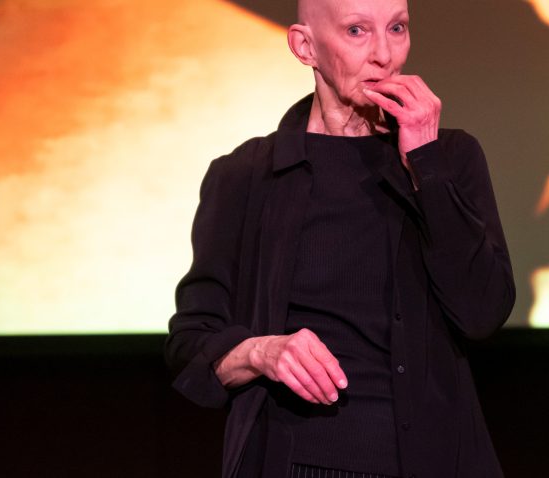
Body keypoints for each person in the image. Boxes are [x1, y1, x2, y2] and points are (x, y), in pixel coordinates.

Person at [165, 0, 515, 476]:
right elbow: (192, 344)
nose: (384, 54)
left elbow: (483, 313)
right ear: (304, 46)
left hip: (431, 460)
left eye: (397, 28)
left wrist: (426, 168)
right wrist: (263, 351)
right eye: (356, 31)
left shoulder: (449, 157)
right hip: (296, 462)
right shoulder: (245, 176)